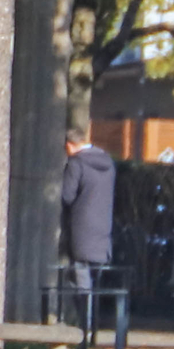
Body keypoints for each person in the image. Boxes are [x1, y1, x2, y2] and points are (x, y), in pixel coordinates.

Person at [61, 126, 116, 297]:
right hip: (103, 229)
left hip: (82, 230)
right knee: (96, 281)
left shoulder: (76, 163)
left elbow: (67, 196)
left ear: (69, 145)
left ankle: (86, 321)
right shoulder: (108, 163)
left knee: (81, 281)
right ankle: (93, 318)